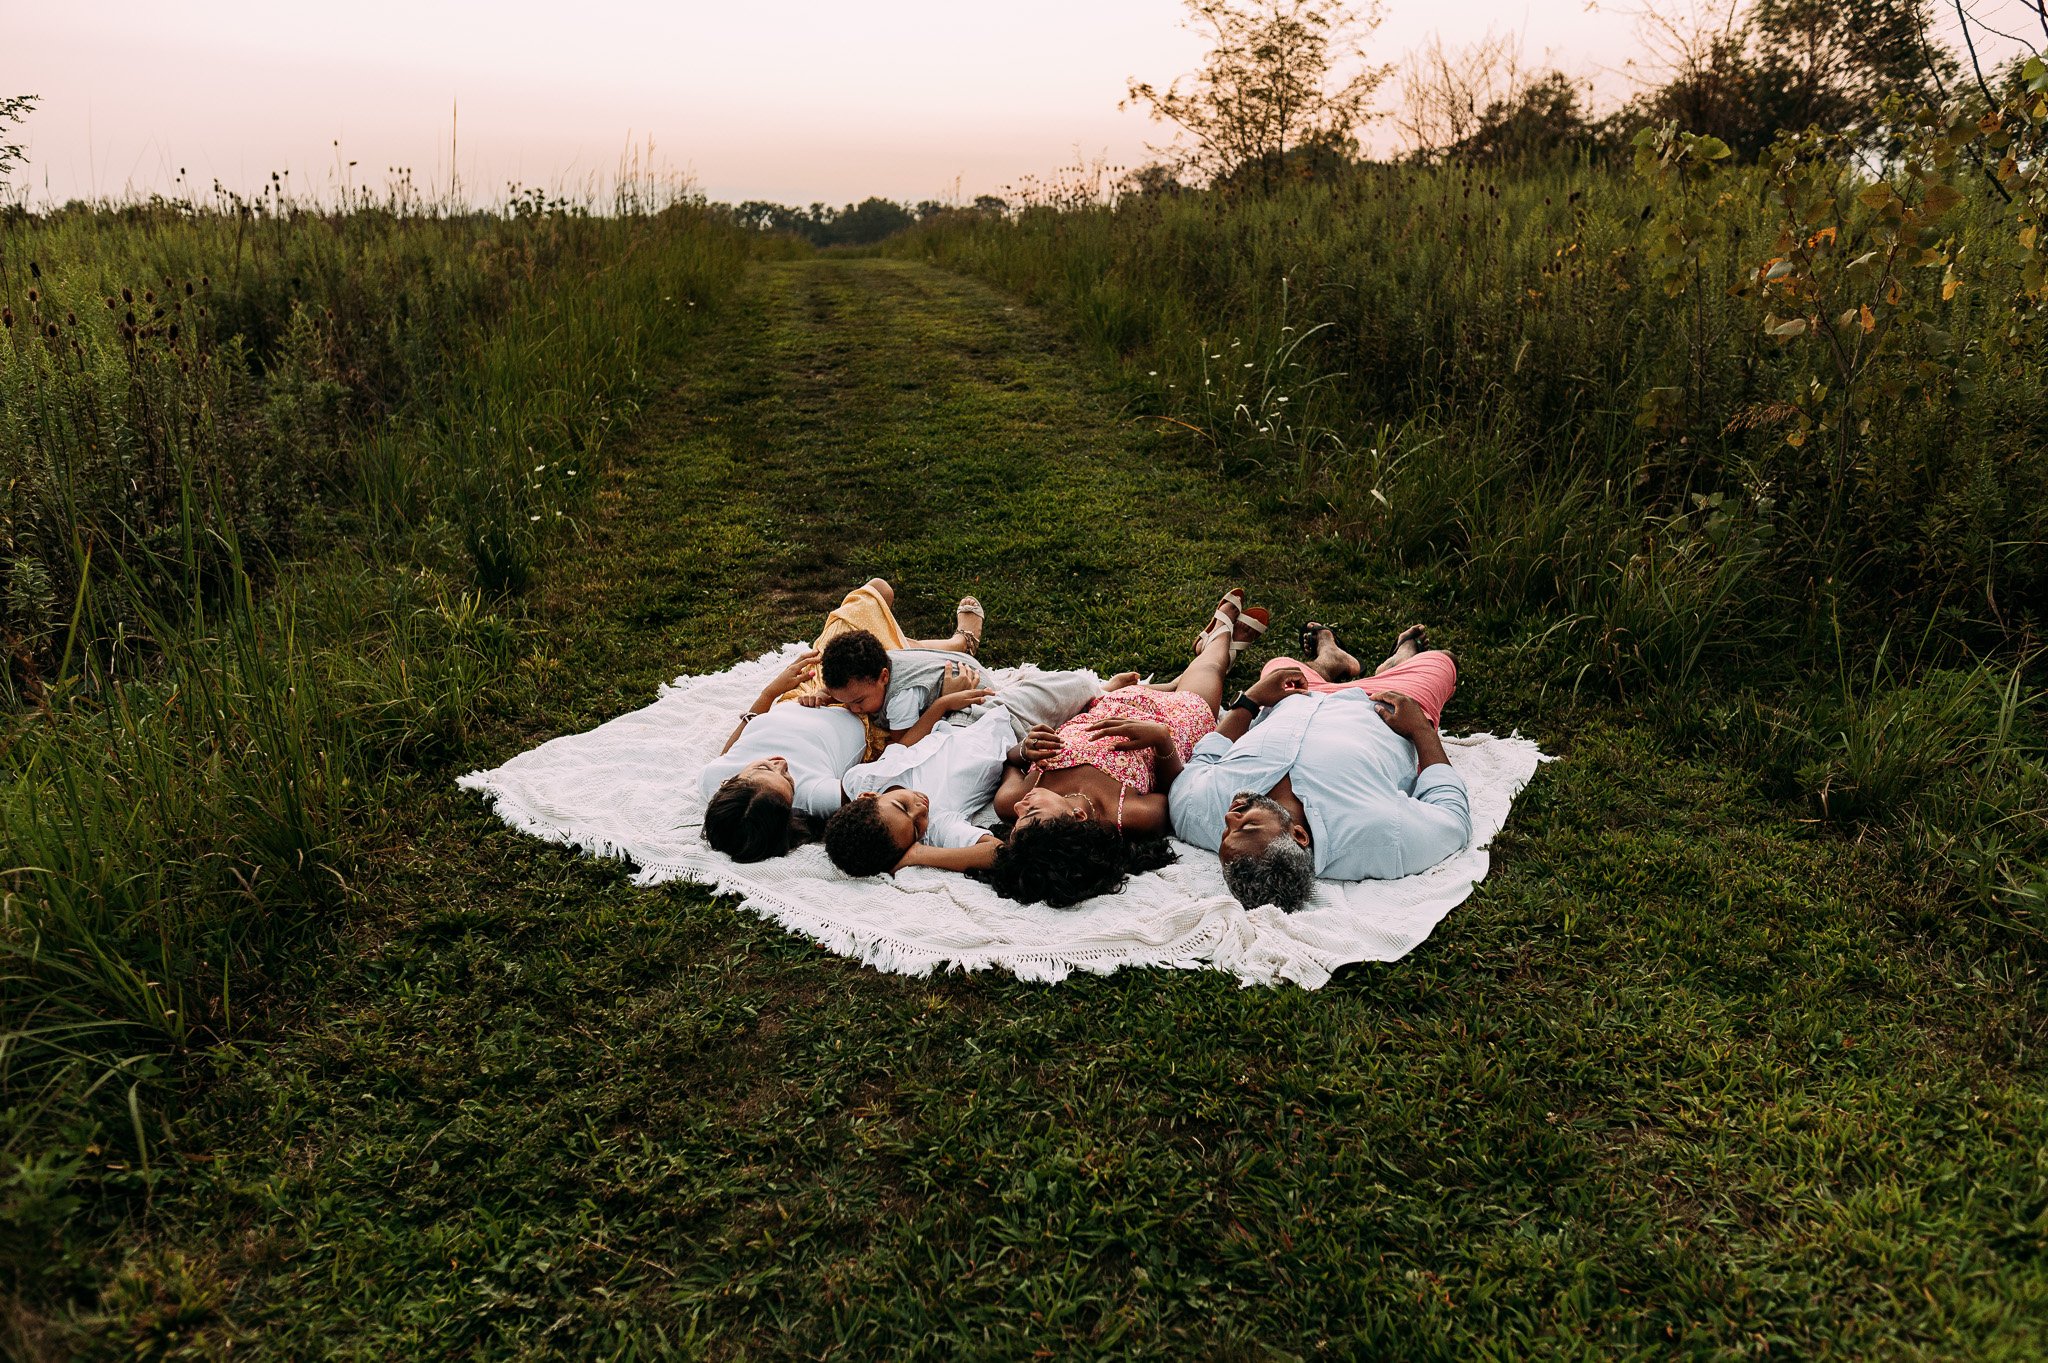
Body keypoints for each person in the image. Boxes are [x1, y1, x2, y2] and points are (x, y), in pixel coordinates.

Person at [982, 589, 1268, 908]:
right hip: (1173, 724)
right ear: (1076, 816)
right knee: (1210, 671)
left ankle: (1202, 657)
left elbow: (1008, 761)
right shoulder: (1129, 814)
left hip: (1113, 706)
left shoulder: (1013, 799)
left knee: (1178, 681)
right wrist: (1160, 740)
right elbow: (1184, 790)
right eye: (1030, 813)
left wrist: (1025, 749)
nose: (1021, 809)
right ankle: (1218, 640)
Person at [1168, 625, 1471, 913]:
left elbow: (1206, 755)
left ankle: (1329, 660)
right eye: (1247, 825)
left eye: (1225, 832)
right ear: (1299, 835)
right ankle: (1397, 661)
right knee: (1441, 662)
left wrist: (1252, 699)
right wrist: (1420, 729)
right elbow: (1453, 819)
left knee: (1279, 665)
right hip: (1387, 702)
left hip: (1293, 696)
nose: (1229, 816)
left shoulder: (1193, 811)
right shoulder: (1380, 835)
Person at [698, 578, 978, 862]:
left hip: (808, 694)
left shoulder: (714, 781)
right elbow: (892, 762)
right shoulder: (814, 797)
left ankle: (919, 646)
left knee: (877, 591)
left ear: (730, 783)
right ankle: (957, 645)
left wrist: (771, 692)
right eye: (788, 780)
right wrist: (941, 704)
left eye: (765, 768)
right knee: (881, 645)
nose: (781, 764)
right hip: (864, 711)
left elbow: (729, 752)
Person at [822, 708, 1015, 877]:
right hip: (1006, 728)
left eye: (902, 806)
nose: (921, 810)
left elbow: (901, 748)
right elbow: (997, 852)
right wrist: (919, 855)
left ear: (869, 796)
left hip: (955, 717)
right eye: (916, 828)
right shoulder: (938, 826)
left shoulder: (863, 779)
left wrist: (943, 704)